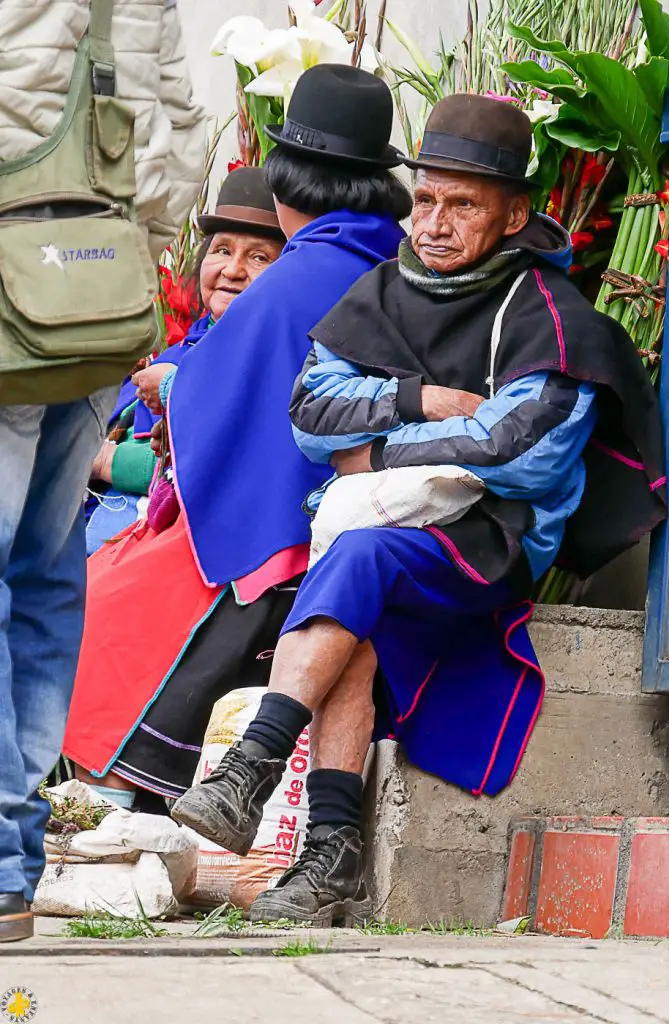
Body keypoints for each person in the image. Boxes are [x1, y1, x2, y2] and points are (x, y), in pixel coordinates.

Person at [171, 94, 667, 926]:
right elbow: (310, 415)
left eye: (462, 204)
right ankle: (330, 855)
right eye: (426, 199)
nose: (434, 223)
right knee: (354, 621)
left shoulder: (550, 316)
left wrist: (371, 451)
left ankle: (253, 763)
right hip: (389, 533)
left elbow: (520, 449)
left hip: (489, 542)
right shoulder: (380, 289)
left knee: (355, 559)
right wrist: (427, 399)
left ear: (514, 214)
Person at [62, 65, 410, 812]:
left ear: (286, 184)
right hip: (359, 513)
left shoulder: (301, 276)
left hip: (287, 533)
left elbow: (233, 404)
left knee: (108, 601)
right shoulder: (386, 259)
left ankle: (107, 802)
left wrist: (171, 389)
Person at [0, 0, 204, 942]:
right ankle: (12, 860)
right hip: (97, 291)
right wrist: (141, 246)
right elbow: (180, 121)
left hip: (9, 288)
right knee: (44, 577)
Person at [85, 167, 285, 553]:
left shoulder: (269, 360)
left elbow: (195, 465)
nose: (232, 270)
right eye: (222, 250)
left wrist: (98, 459)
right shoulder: (183, 349)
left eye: (258, 257)